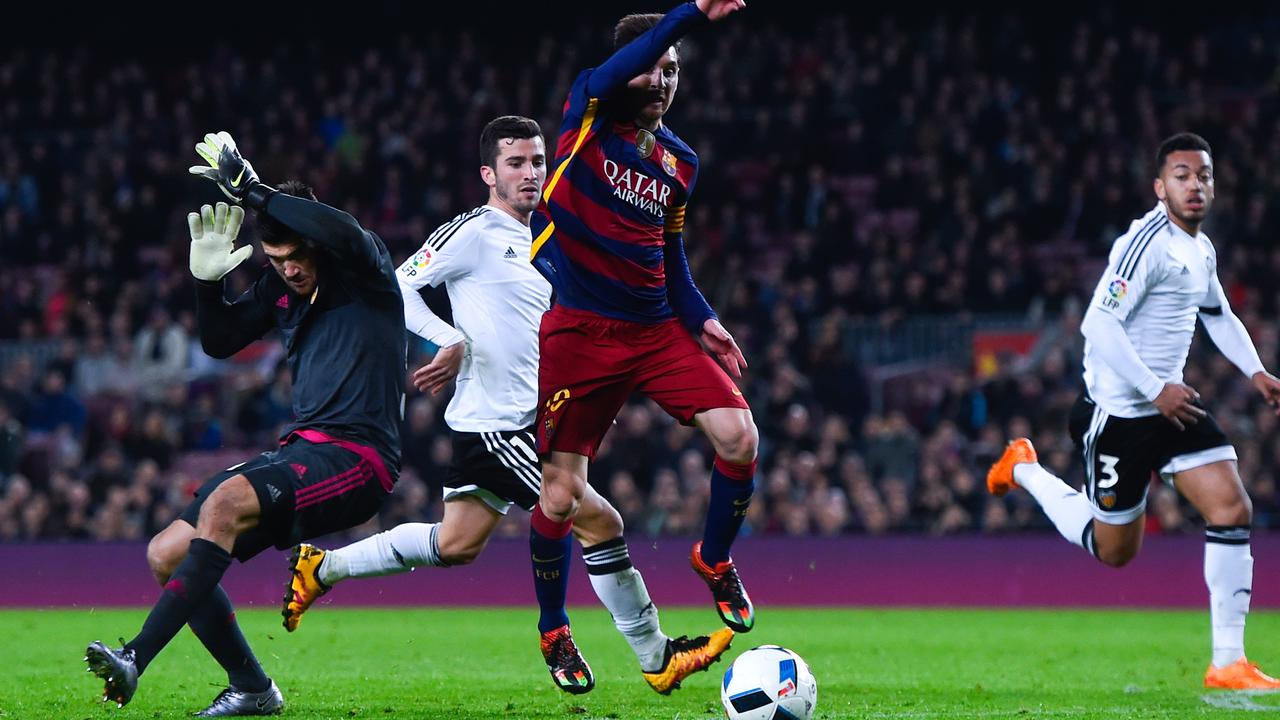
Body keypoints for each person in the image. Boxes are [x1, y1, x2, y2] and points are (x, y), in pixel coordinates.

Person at [280, 115, 731, 695]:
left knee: (456, 542)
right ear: (488, 173)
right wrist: (448, 338)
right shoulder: (474, 232)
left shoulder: (554, 234)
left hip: (527, 418)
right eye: (516, 163)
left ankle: (324, 567)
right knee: (599, 520)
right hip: (500, 425)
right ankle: (653, 655)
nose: (530, 173)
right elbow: (399, 284)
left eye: (538, 161)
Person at [84, 131, 407, 715]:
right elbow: (220, 340)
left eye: (296, 258)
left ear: (314, 245)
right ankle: (254, 688)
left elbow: (341, 231)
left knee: (227, 501)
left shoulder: (362, 269)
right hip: (303, 449)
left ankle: (135, 657)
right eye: (276, 261)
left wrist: (253, 191)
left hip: (361, 459)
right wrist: (208, 284)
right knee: (167, 553)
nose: (288, 271)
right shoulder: (280, 288)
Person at [987, 132, 1280, 690]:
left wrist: (1257, 371)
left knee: (1231, 508)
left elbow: (1217, 314)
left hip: (1169, 409)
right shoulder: (1145, 243)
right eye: (1182, 175)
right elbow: (1097, 323)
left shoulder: (1200, 248)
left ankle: (1227, 663)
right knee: (1114, 551)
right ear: (1159, 186)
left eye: (1204, 176)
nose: (1195, 185)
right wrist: (1153, 389)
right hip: (1119, 414)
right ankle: (1022, 466)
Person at [526, 0, 758, 691]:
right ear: (625, 73)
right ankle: (553, 630)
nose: (664, 81)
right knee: (562, 496)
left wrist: (703, 318)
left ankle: (713, 561)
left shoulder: (679, 162)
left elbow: (671, 255)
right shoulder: (587, 115)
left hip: (656, 330)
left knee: (740, 437)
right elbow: (619, 68)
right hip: (580, 330)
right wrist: (689, 15)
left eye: (675, 71)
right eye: (654, 68)